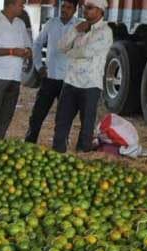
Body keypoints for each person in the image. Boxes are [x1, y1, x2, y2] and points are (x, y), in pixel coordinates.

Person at [52, 0, 112, 153]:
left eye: (90, 8)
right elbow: (60, 46)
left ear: (100, 11)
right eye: (85, 8)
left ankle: (82, 157)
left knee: (87, 126)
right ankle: (58, 154)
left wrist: (70, 54)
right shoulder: (79, 27)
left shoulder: (105, 32)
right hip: (70, 82)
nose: (86, 11)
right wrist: (75, 31)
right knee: (61, 122)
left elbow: (87, 52)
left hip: (90, 85)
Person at [24, 0, 76, 143]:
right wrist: (39, 65)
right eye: (63, 7)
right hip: (49, 77)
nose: (65, 10)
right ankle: (29, 141)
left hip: (68, 80)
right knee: (37, 114)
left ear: (75, 10)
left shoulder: (79, 27)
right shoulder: (51, 23)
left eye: (69, 7)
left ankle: (59, 145)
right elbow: (38, 44)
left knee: (64, 116)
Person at [0, 0, 31, 140]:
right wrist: (12, 51)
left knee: (6, 116)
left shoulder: (20, 24)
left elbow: (28, 45)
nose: (23, 7)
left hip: (15, 77)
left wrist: (27, 52)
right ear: (10, 5)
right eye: (20, 4)